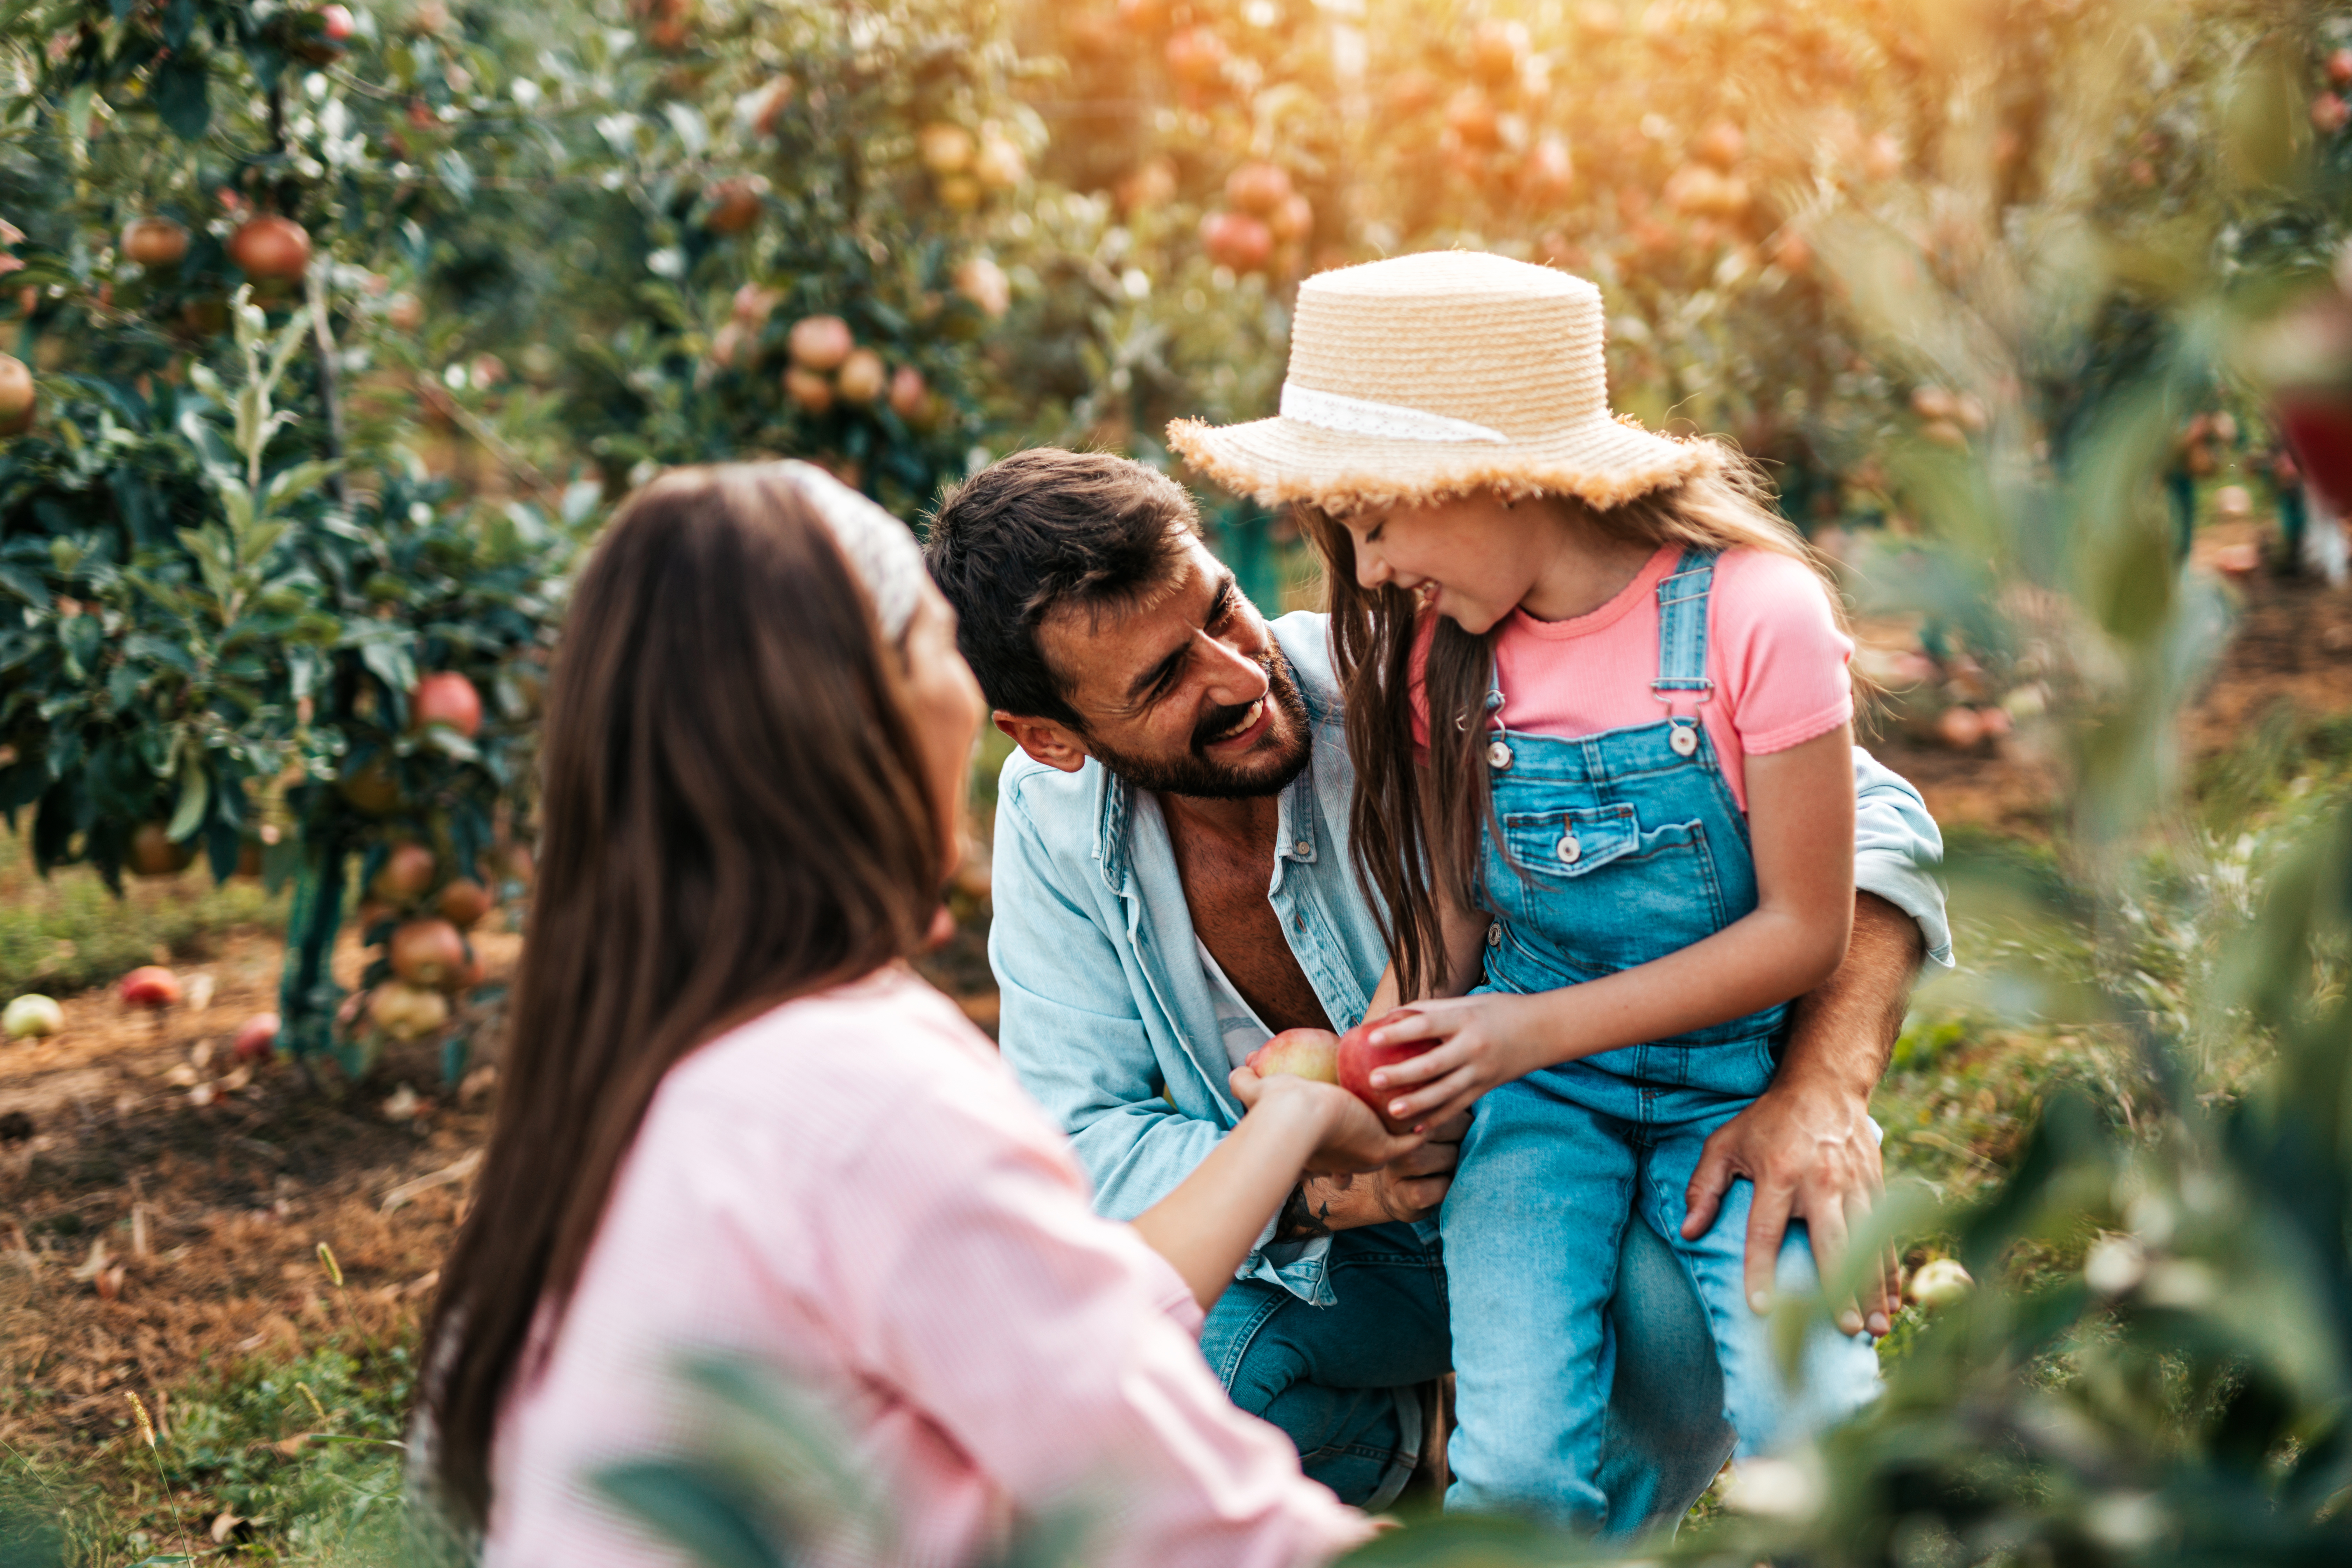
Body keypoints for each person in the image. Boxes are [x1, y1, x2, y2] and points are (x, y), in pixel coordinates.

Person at [925, 440, 1949, 1525]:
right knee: (1161, 1373)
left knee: (1685, 1314)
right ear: (1048, 738)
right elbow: (1083, 1138)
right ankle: (1394, 1462)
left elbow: (1878, 826)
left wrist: (1824, 1085)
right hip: (1358, 1264)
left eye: (1219, 612)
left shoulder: (1410, 665)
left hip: (1578, 1170)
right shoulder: (1056, 834)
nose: (1235, 677)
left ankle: (1594, 1521)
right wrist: (1318, 1189)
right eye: (1164, 679)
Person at [417, 461, 1398, 1567]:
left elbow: (1060, 1316)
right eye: (941, 652)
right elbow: (1185, 1514)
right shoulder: (868, 1091)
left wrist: (1287, 1127)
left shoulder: (634, 1077)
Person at [1166, 249, 1913, 1523]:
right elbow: (1457, 925)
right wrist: (1356, 1068)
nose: (1370, 561)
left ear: (1492, 472)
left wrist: (1527, 1031)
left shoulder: (1758, 617)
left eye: (1377, 516)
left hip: (1729, 1093)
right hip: (1538, 1115)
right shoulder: (1436, 659)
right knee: (1513, 1466)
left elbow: (1803, 931)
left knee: (1825, 1424)